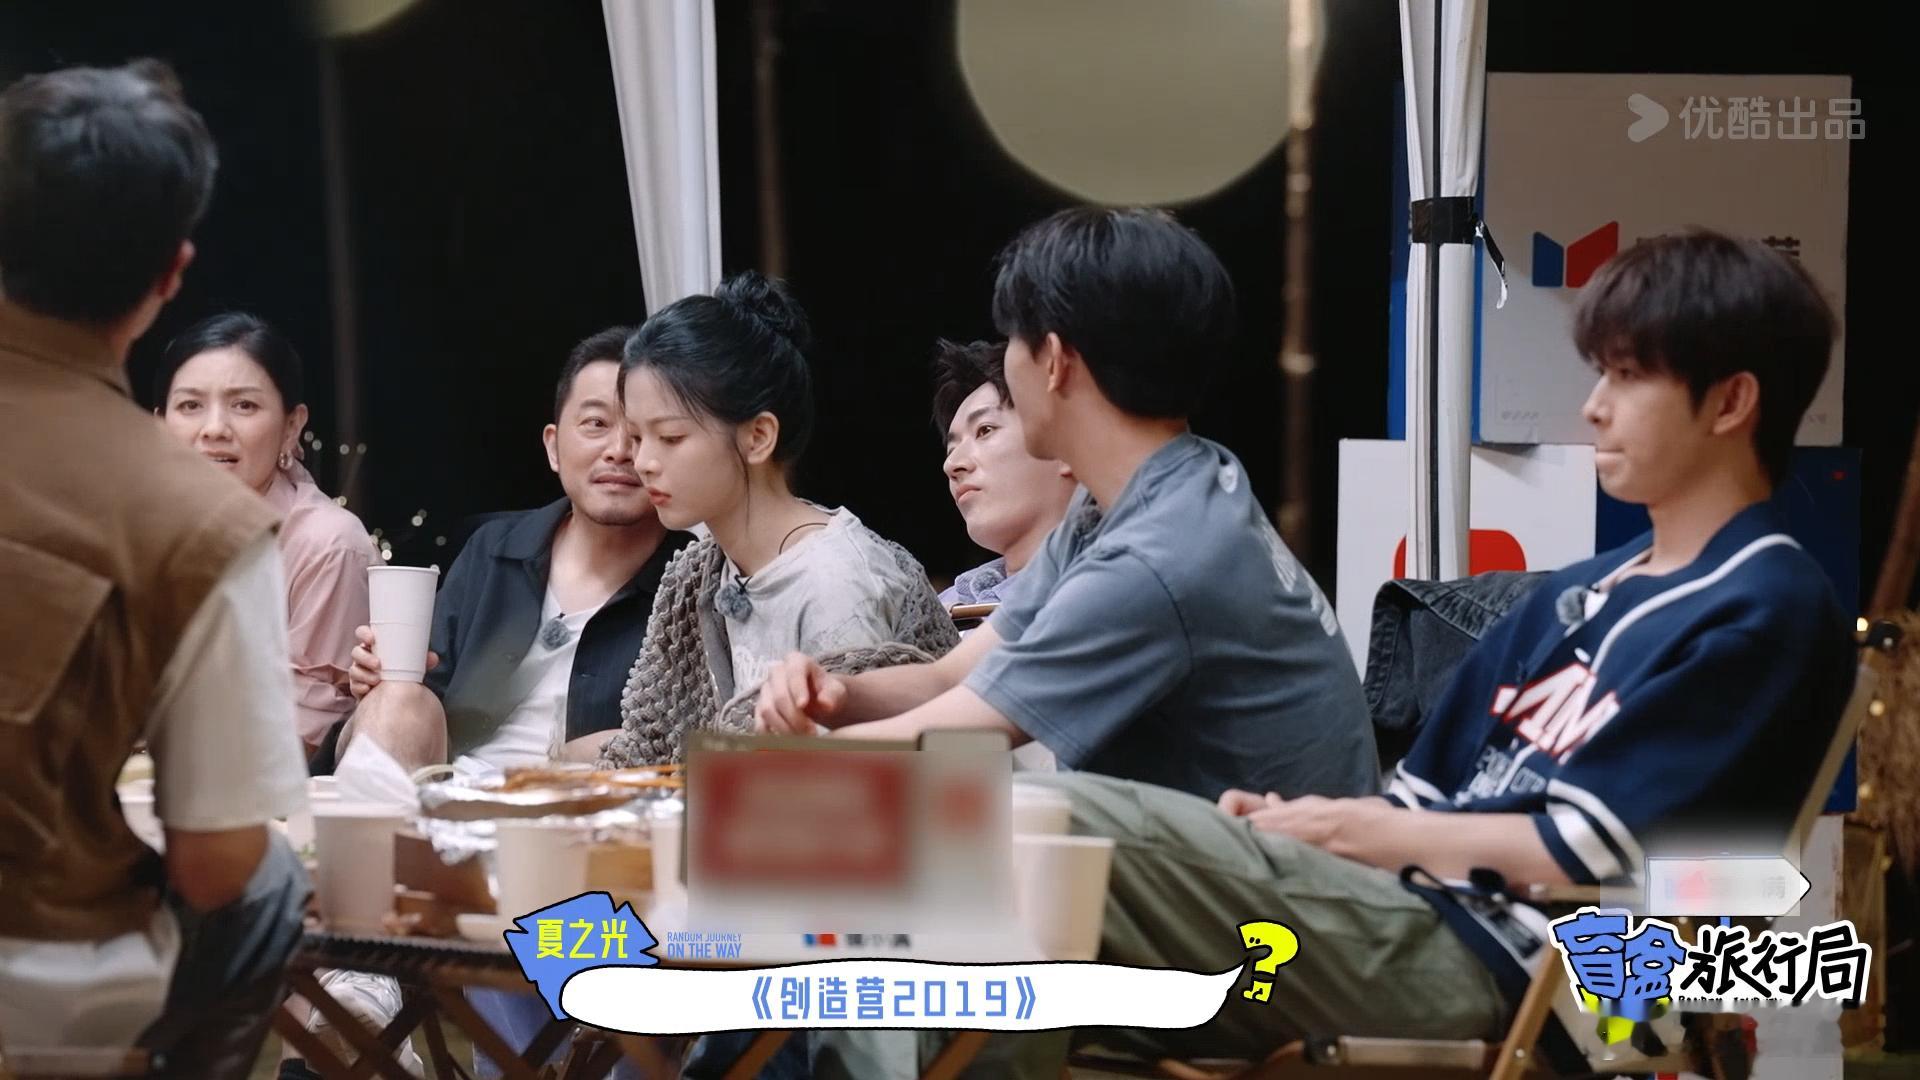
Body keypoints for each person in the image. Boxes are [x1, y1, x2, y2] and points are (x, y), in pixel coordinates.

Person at [974, 228, 1860, 1077]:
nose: (1594, 405)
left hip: (1529, 970)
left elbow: (1594, 850)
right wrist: (1299, 826)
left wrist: (1349, 829)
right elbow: (1421, 796)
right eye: (1602, 373)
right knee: (1005, 858)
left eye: (1629, 377)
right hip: (1410, 919)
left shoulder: (1763, 603)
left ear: (1732, 403)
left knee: (1031, 827)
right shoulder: (1569, 594)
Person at [756, 207, 1378, 805]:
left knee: (1030, 808)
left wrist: (780, 764)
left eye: (1013, 342)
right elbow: (954, 676)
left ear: (1054, 361)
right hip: (1243, 857)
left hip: (1277, 878)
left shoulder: (1156, 555)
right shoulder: (1153, 492)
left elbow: (970, 726)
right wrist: (837, 693)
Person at [0, 60, 310, 1080]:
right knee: (268, 881)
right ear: (171, 272)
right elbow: (215, 863)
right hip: (34, 986)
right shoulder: (198, 521)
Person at [286, 327, 688, 1079]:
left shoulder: (690, 577)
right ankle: (362, 984)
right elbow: (418, 709)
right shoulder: (493, 550)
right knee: (400, 701)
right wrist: (383, 683)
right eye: (596, 423)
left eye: (641, 431)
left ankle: (376, 1029)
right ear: (553, 445)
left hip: (573, 855)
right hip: (442, 841)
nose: (619, 450)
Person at [595, 271, 959, 769]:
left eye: (671, 437)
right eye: (637, 438)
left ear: (758, 436)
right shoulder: (695, 576)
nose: (643, 462)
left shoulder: (836, 583)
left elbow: (854, 776)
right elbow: (645, 746)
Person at [156, 312, 379, 753]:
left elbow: (307, 729)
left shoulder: (327, 544)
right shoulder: (138, 529)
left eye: (244, 406)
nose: (214, 429)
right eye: (190, 406)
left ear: (292, 426)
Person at [929, 337, 1076, 610]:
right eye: (951, 449)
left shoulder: (1124, 580)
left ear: (1062, 441)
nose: (952, 464)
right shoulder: (938, 607)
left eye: (984, 430)